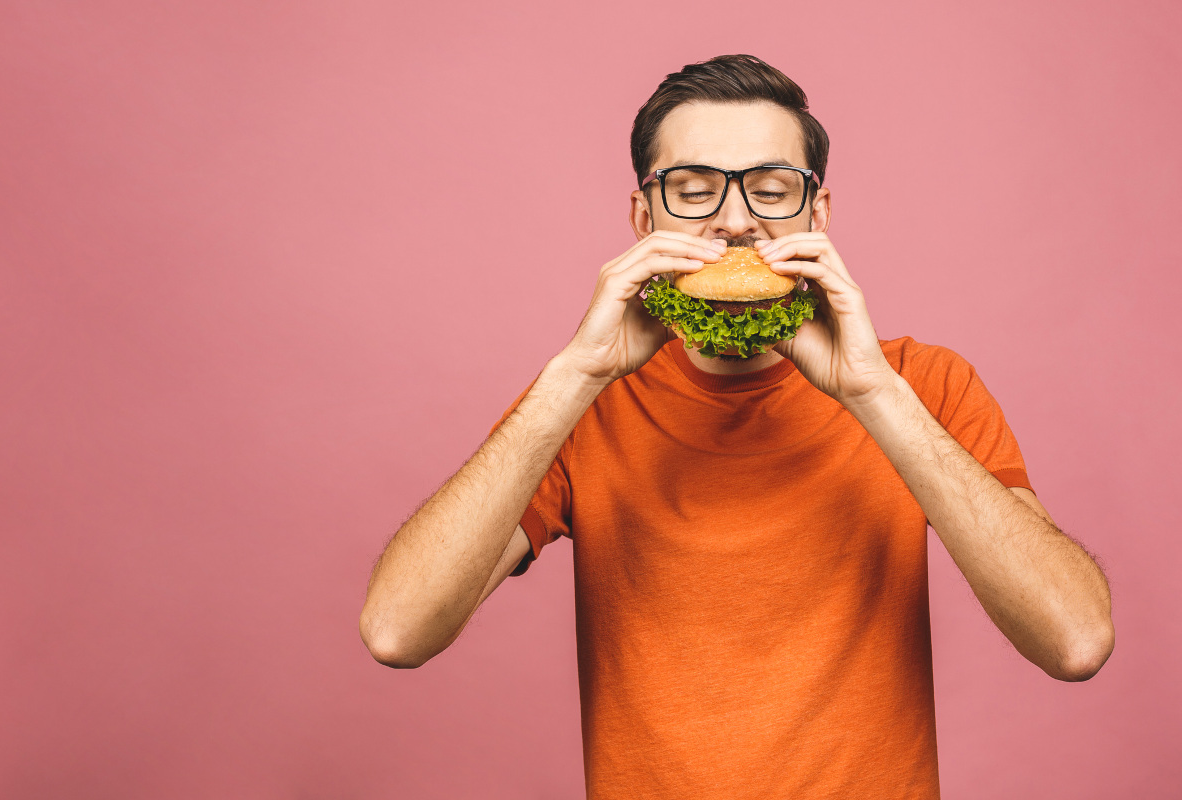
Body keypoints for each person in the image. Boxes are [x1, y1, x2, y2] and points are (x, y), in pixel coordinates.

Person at [360, 54, 1115, 799]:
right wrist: (575, 375)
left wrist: (873, 395)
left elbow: (1075, 641)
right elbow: (398, 631)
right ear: (641, 217)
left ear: (817, 215)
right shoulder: (580, 402)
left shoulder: (922, 384)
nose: (734, 220)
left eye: (772, 189)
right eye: (691, 191)